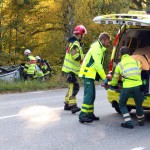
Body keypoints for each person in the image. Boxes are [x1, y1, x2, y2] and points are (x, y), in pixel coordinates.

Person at [78, 32, 111, 123]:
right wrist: (104, 78)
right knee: (89, 95)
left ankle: (89, 114)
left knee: (92, 95)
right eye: (107, 41)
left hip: (90, 75)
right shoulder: (97, 48)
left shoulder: (99, 47)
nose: (108, 43)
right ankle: (82, 115)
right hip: (87, 74)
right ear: (103, 40)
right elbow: (97, 65)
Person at [110, 46, 145, 129]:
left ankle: (128, 122)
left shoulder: (120, 65)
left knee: (122, 103)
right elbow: (139, 70)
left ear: (121, 54)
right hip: (137, 85)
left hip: (127, 86)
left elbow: (115, 78)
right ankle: (141, 121)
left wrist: (113, 85)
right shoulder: (136, 62)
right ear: (129, 53)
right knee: (138, 104)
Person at [62, 25, 87, 114]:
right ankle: (73, 106)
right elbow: (76, 56)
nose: (82, 36)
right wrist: (84, 56)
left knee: (71, 86)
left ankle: (67, 104)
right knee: (75, 86)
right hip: (70, 70)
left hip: (68, 69)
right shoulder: (75, 44)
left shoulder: (72, 42)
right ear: (80, 34)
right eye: (82, 35)